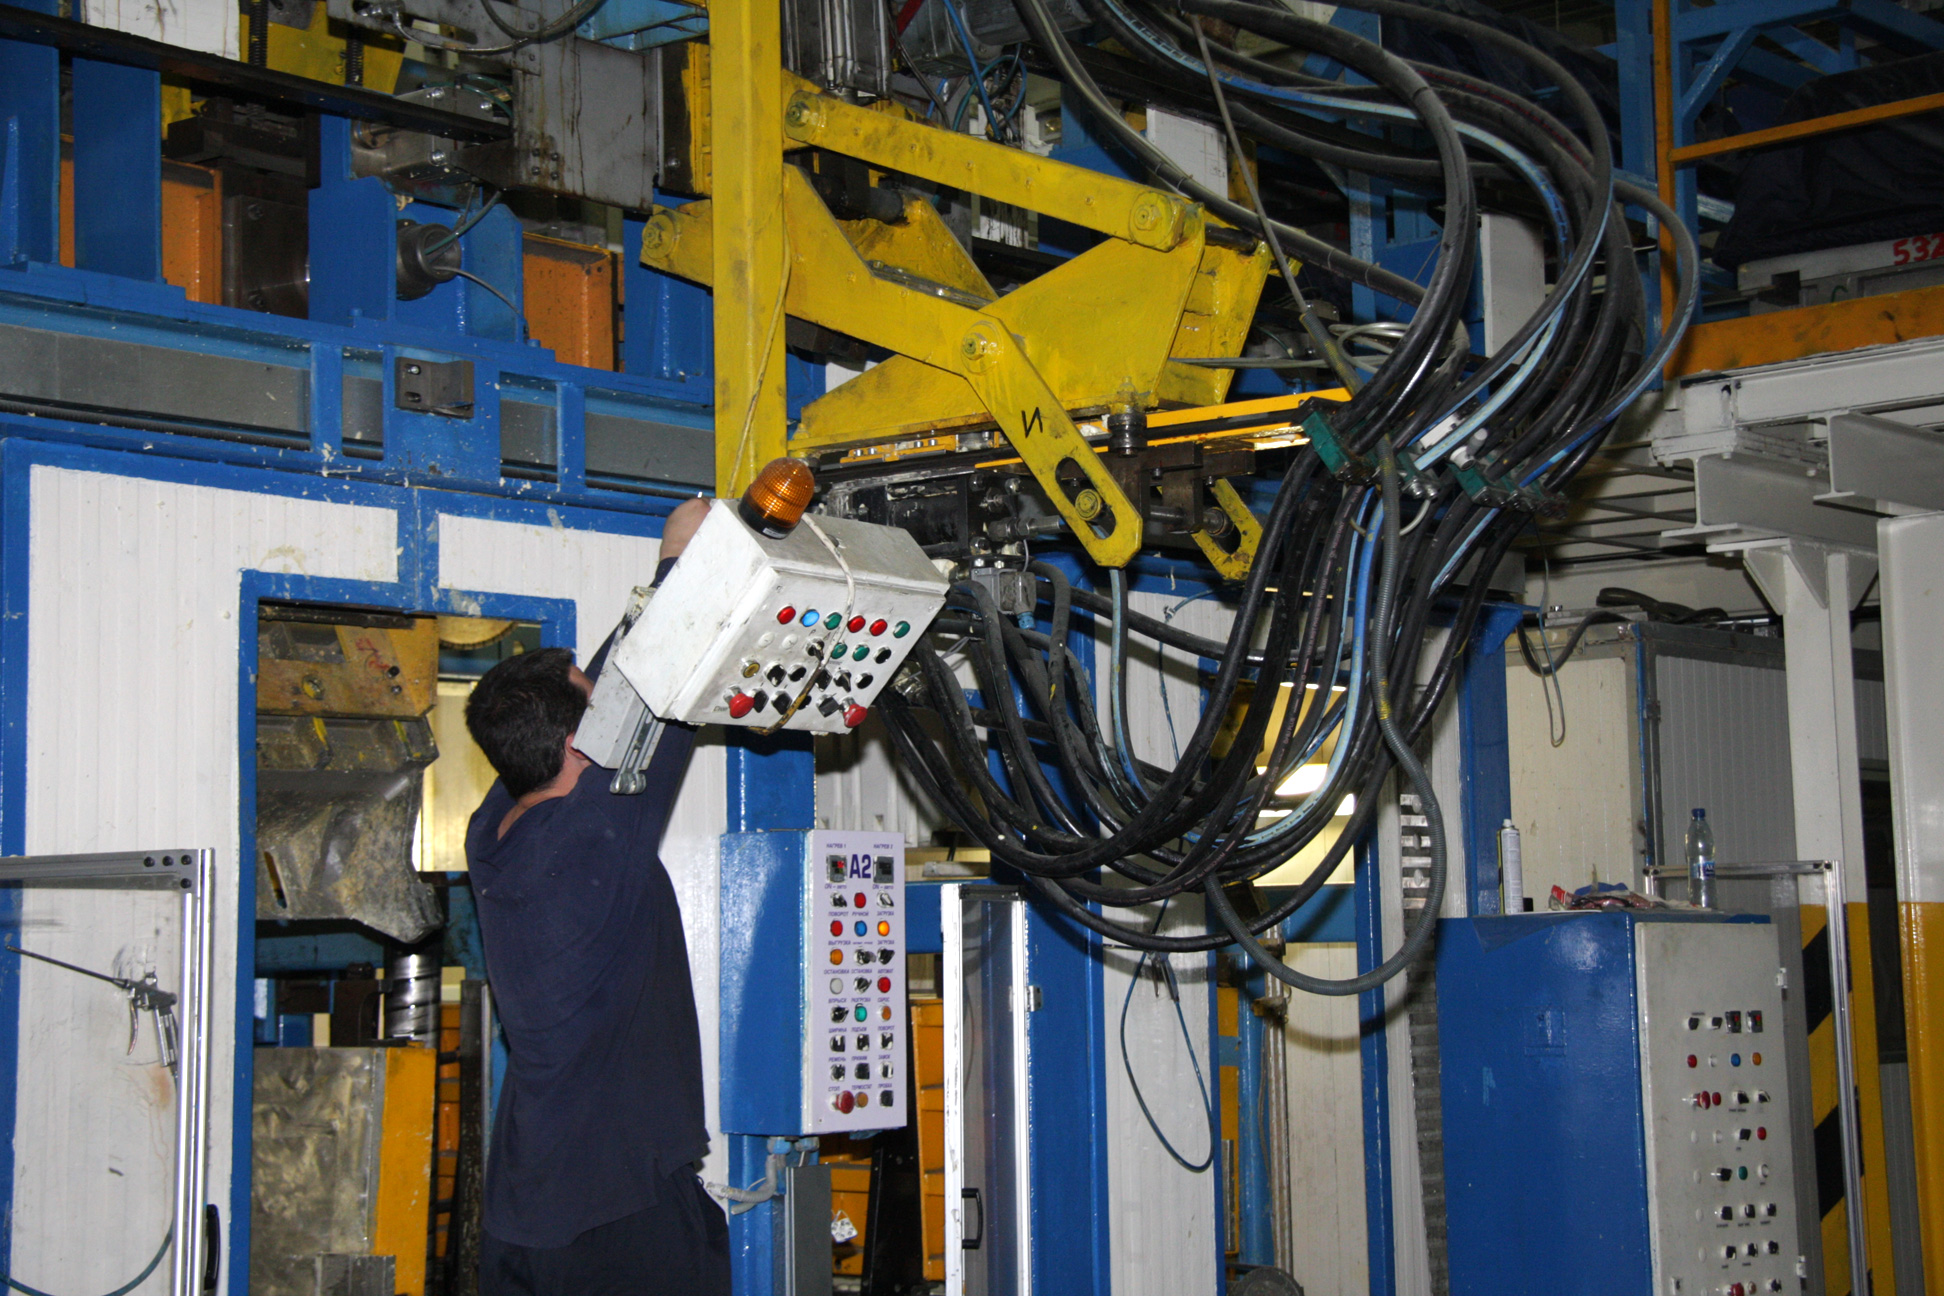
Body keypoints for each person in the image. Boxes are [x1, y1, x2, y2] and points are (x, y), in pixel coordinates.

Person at [461, 498, 726, 1295]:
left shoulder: (494, 830)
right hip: (615, 1221)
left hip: (528, 1213)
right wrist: (680, 562)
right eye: (590, 699)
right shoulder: (593, 836)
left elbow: (614, 693)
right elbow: (657, 682)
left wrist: (652, 592)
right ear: (580, 743)